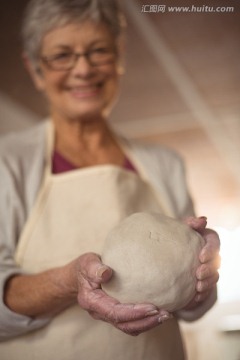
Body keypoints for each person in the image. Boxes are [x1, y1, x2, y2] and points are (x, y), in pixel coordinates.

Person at [0, 0, 220, 359]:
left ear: (119, 57)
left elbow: (193, 308)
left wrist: (204, 274)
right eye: (62, 55)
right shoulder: (7, 162)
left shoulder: (164, 165)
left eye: (98, 51)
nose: (83, 68)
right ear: (35, 69)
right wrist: (70, 282)